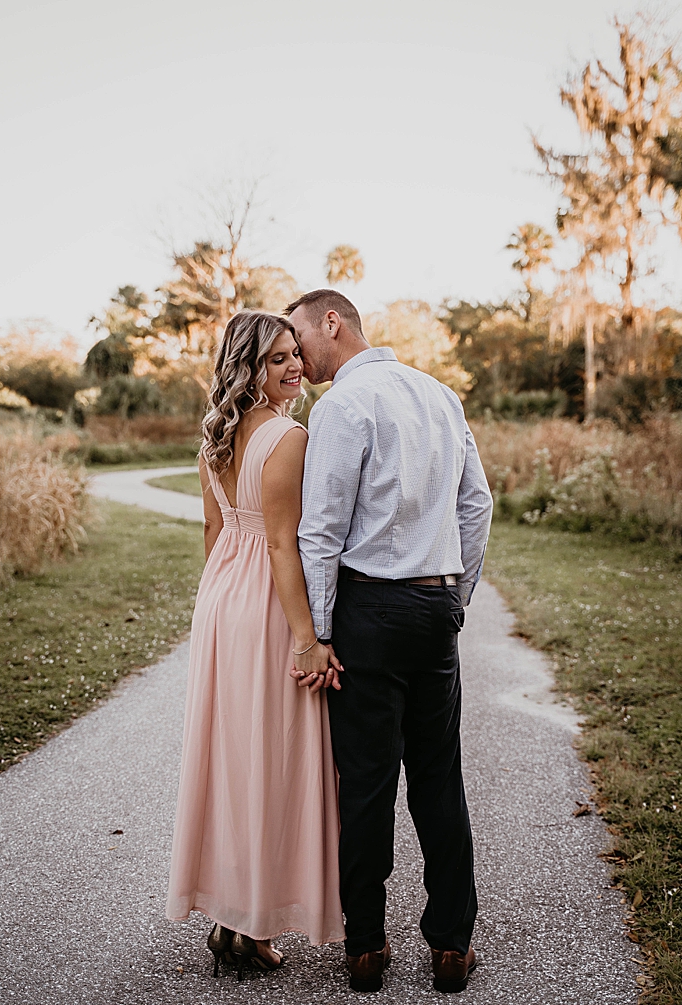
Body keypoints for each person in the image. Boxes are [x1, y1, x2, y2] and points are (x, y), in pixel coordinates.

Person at [286, 289, 492, 994]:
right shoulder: (440, 395)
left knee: (367, 783)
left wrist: (319, 632)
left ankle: (367, 948)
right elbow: (476, 504)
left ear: (332, 323)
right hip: (434, 606)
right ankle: (452, 944)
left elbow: (320, 531)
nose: (297, 355)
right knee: (438, 776)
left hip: (368, 611)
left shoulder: (341, 405)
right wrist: (456, 596)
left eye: (299, 336)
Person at [167, 310, 346, 979]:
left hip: (221, 602)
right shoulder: (288, 438)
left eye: (296, 353)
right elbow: (281, 545)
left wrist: (219, 605)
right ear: (249, 368)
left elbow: (214, 534)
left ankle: (230, 915)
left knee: (233, 758)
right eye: (278, 358)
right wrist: (307, 639)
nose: (295, 366)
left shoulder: (215, 436)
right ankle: (253, 921)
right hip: (270, 605)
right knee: (273, 761)